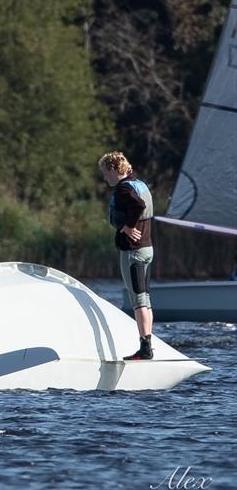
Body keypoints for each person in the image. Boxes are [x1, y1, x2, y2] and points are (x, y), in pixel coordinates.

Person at [99, 151, 155, 360]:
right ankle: (147, 345)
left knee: (138, 301)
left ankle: (145, 349)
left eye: (105, 173)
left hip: (134, 253)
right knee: (145, 300)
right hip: (147, 248)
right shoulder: (139, 183)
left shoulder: (123, 189)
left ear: (114, 170)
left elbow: (138, 206)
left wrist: (127, 226)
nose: (105, 178)